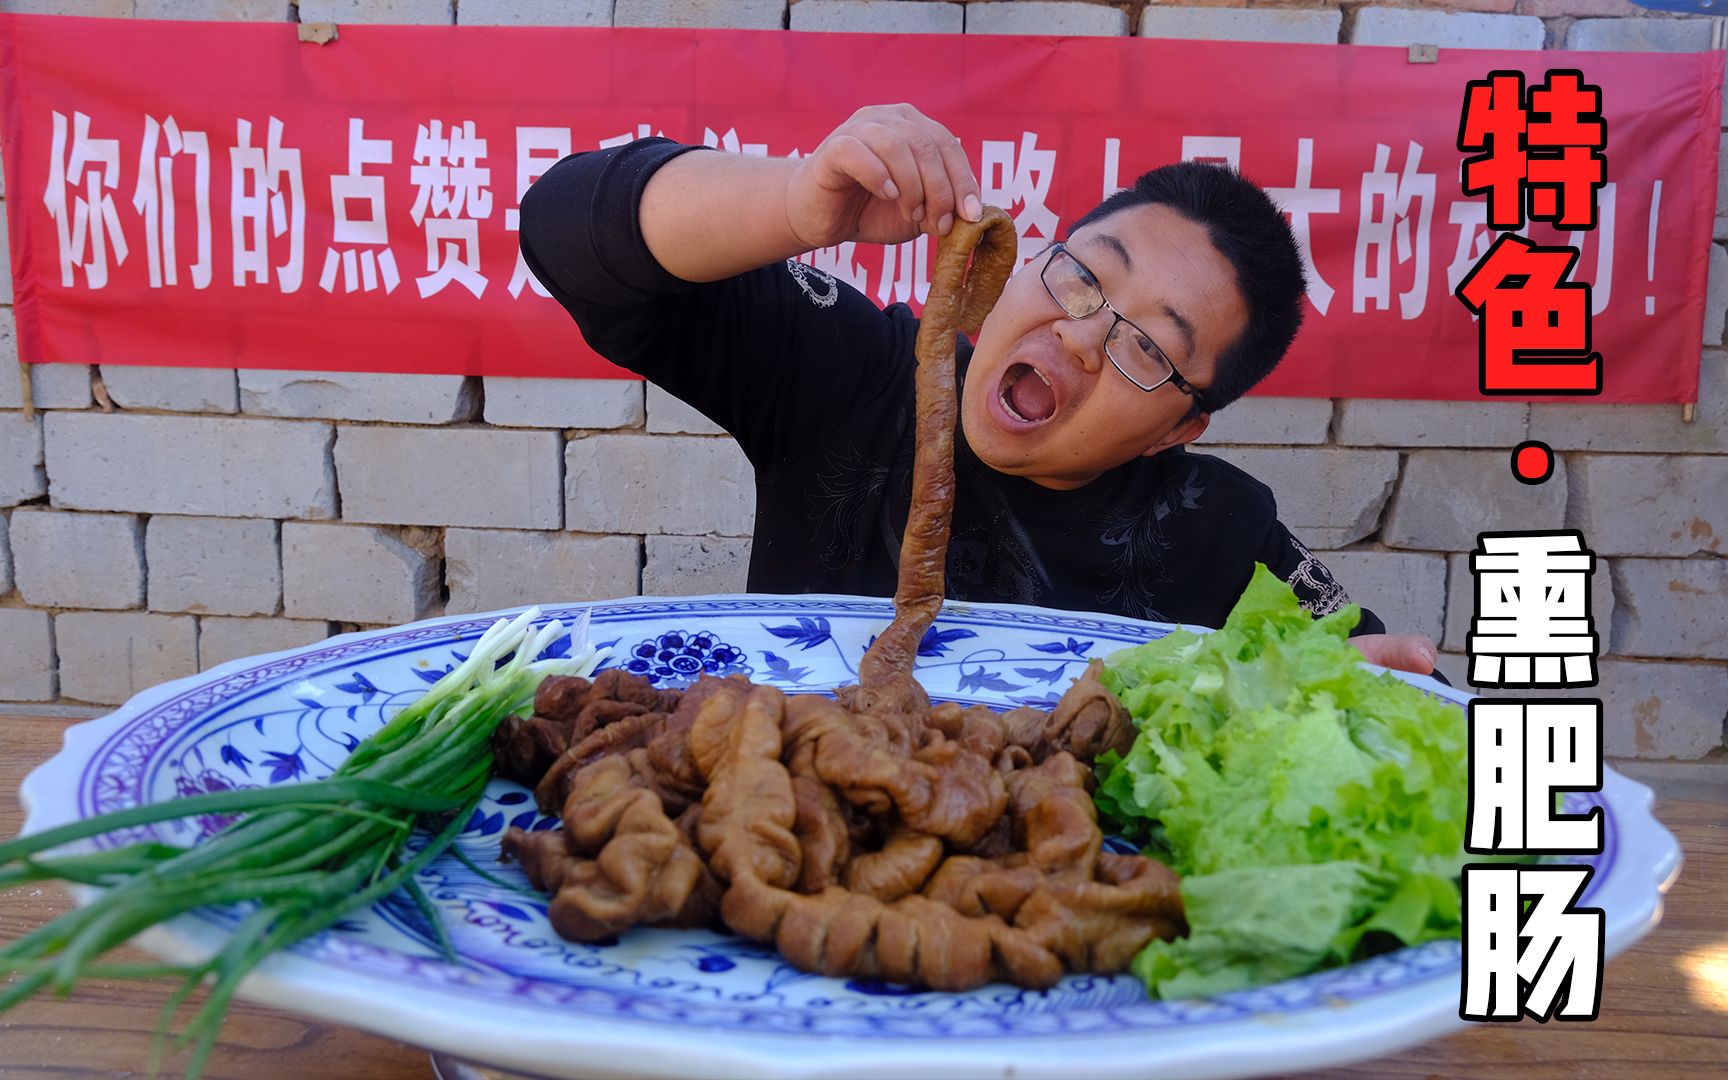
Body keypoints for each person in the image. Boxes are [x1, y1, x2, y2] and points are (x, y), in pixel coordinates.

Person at [520, 104, 1439, 676]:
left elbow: (1366, 674)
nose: (1079, 337)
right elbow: (566, 228)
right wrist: (794, 206)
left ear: (1176, 428)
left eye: (1147, 349)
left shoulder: (1219, 529)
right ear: (1029, 260)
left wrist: (1361, 691)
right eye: (1083, 276)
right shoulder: (856, 374)